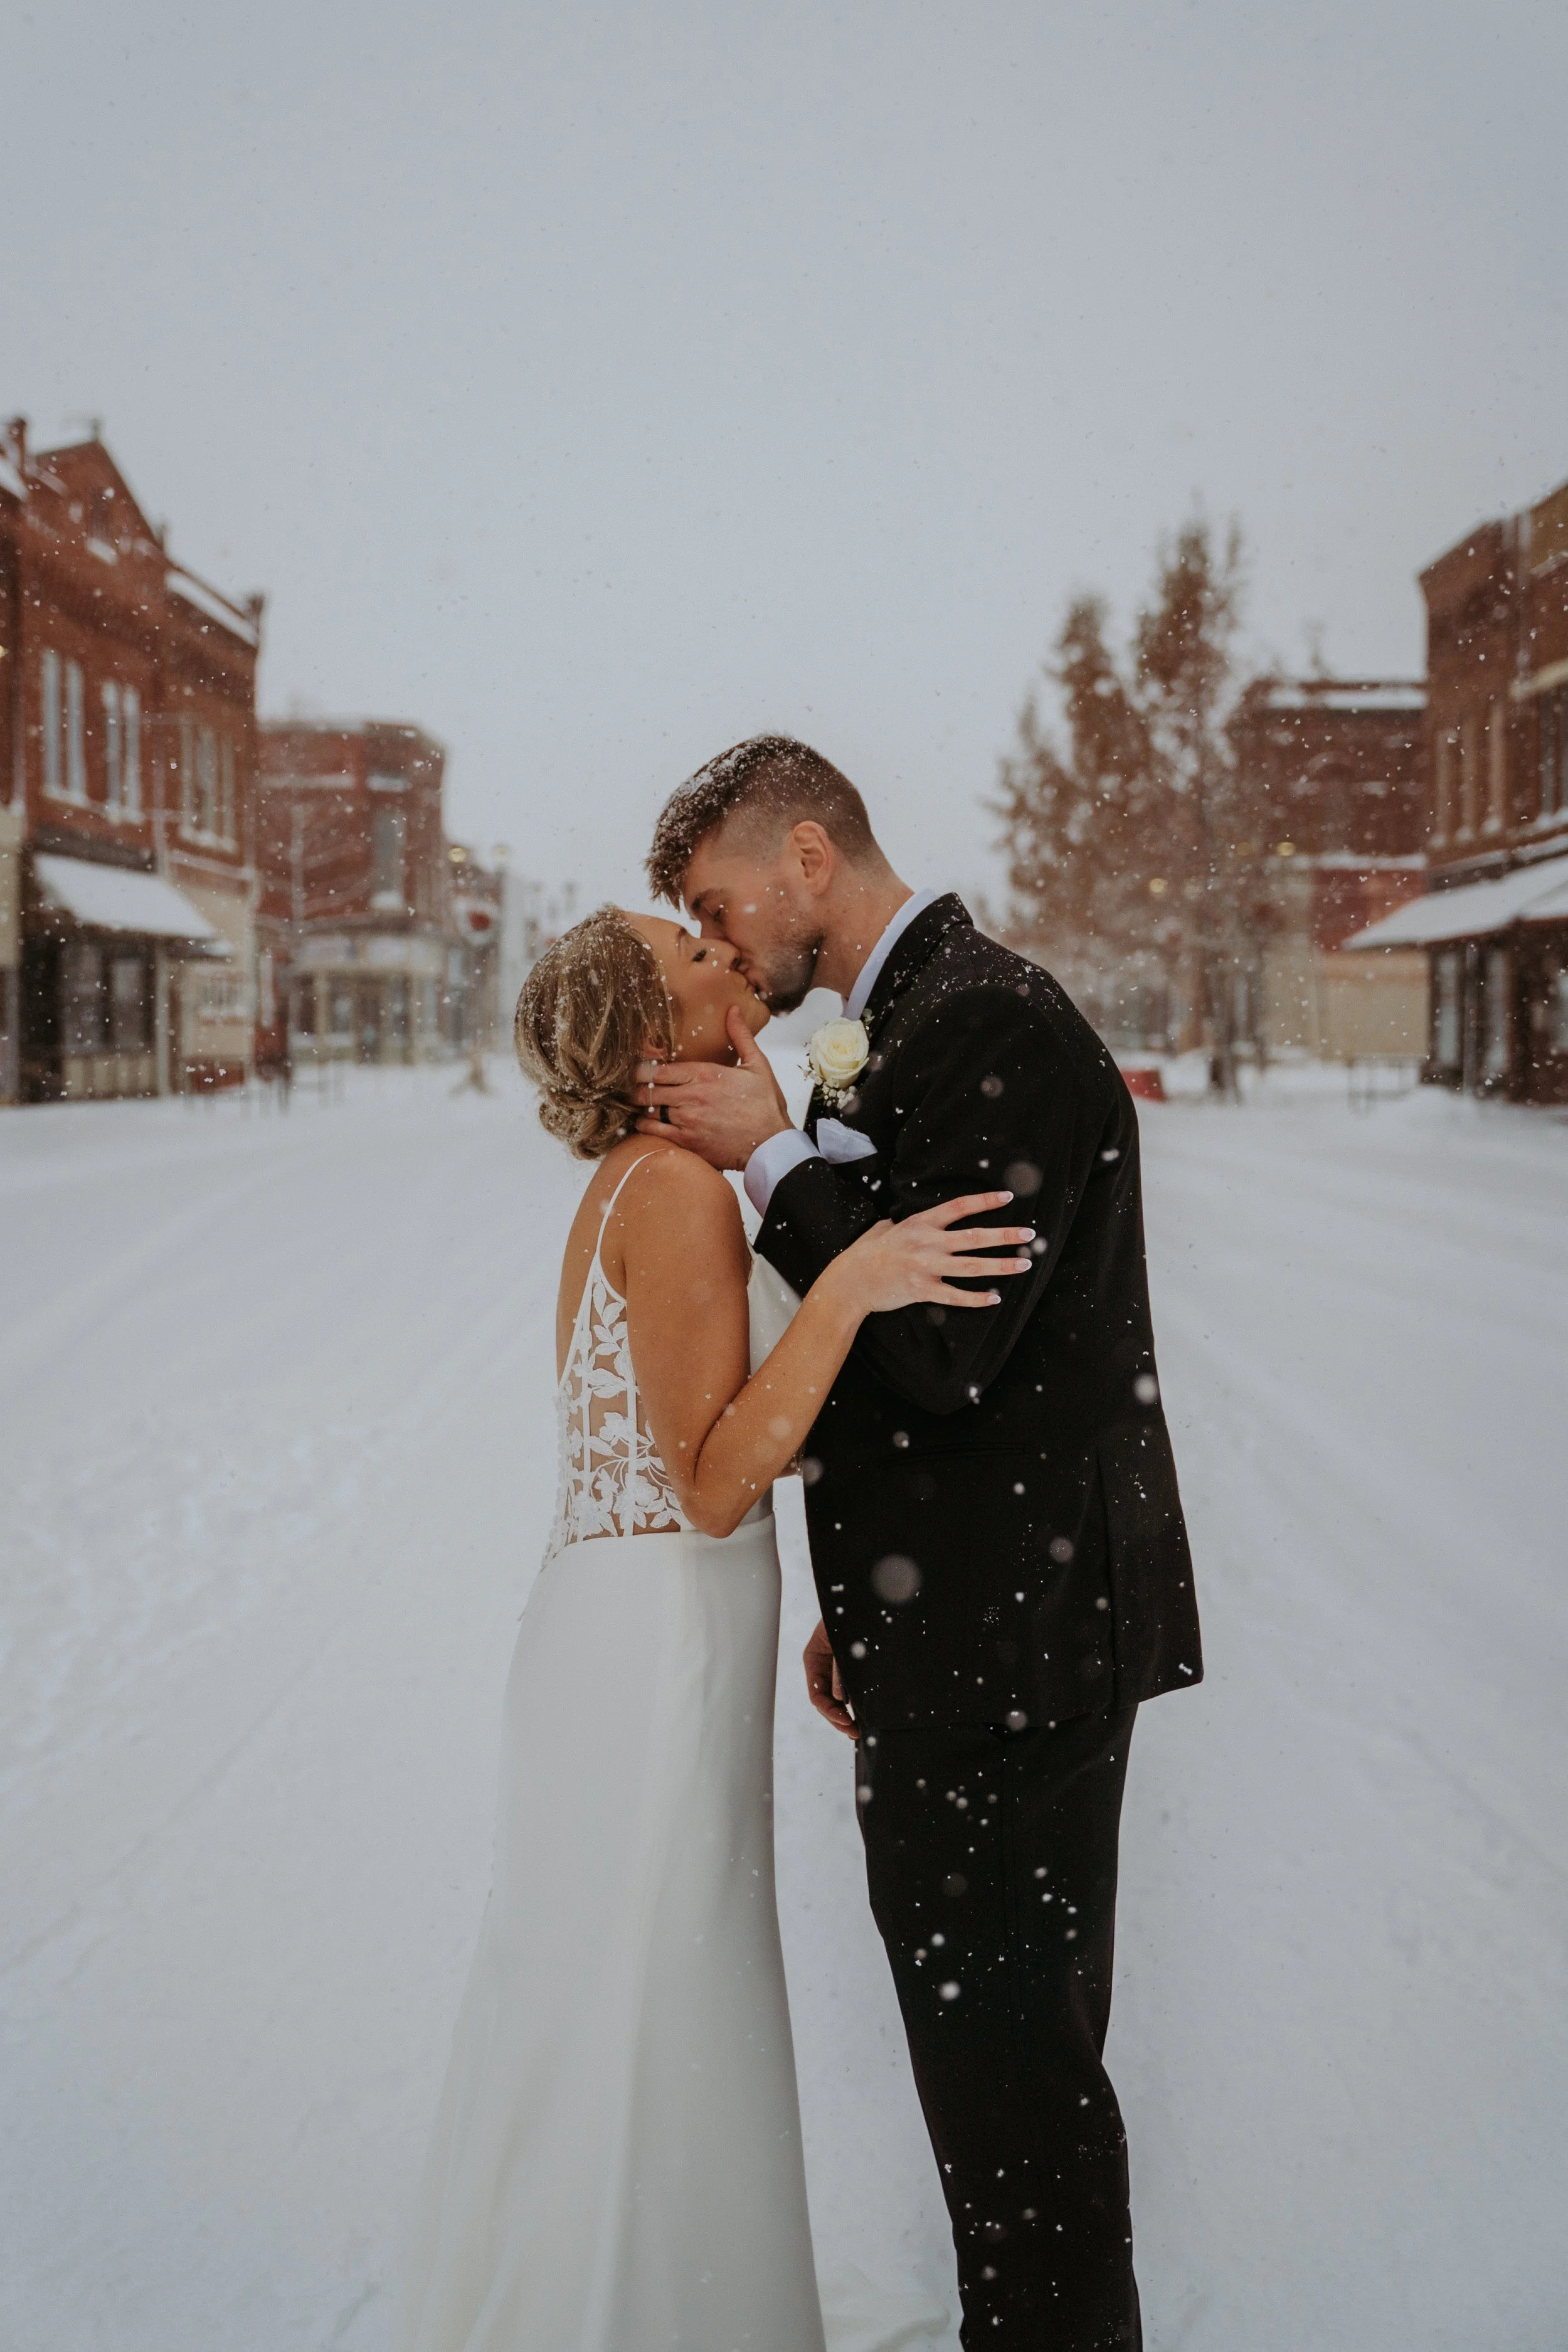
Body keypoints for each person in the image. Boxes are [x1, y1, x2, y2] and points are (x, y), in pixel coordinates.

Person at [396, 901, 1033, 2352]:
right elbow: (705, 1481)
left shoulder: (648, 1179)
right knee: (653, 1989)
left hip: (638, 1628)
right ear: (645, 1043)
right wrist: (853, 1283)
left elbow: (732, 1431)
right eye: (694, 959)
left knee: (625, 1987)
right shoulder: (674, 1192)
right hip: (655, 1642)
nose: (732, 959)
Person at [635, 735, 1204, 2351]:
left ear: (807, 857)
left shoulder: (988, 1020)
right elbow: (923, 1375)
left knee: (1016, 2100)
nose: (719, 942)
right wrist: (865, 1591)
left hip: (1016, 1654)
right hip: (959, 1629)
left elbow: (943, 1343)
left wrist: (767, 1156)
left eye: (716, 904)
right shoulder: (904, 1027)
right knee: (991, 2088)